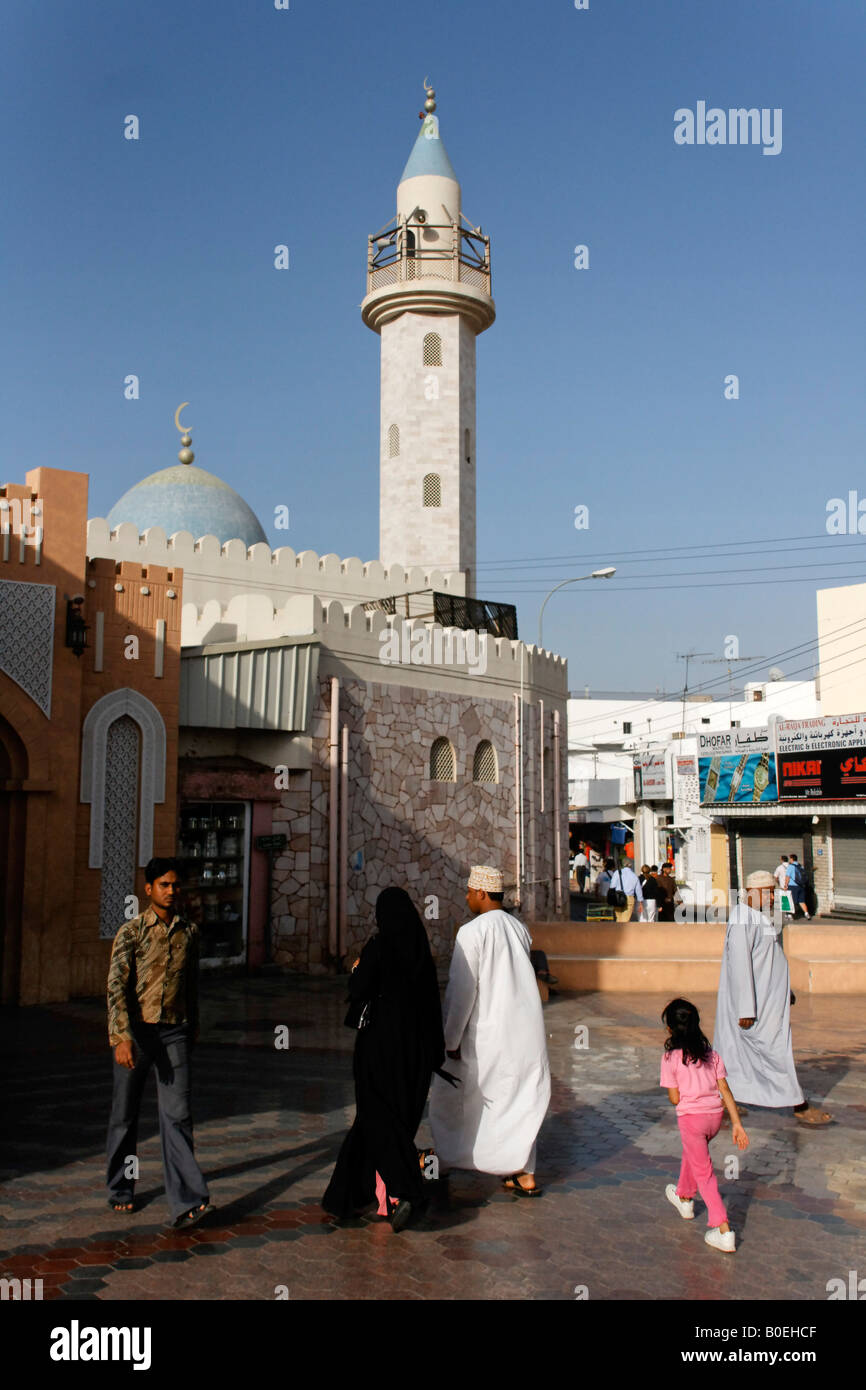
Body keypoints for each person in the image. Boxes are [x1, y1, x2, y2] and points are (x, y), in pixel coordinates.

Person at [322, 887, 448, 1232]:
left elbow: (358, 988)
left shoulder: (379, 948)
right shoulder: (421, 953)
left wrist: (358, 967)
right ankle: (345, 1197)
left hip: (379, 1050)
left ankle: (408, 1190)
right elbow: (431, 1006)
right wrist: (436, 1053)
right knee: (376, 1123)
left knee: (377, 1119)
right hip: (416, 1056)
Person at [429, 866, 551, 1197]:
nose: (467, 898)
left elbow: (462, 990)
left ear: (482, 893)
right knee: (520, 1101)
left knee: (454, 1099)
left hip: (488, 1036)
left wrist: (450, 1038)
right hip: (526, 1033)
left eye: (469, 892)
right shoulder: (519, 929)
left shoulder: (471, 932)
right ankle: (525, 1174)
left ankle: (447, 1160)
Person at [106, 858, 213, 1228]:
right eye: (163, 885)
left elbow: (192, 985)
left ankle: (188, 1202)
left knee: (178, 1116)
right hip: (137, 1033)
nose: (171, 891)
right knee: (125, 1114)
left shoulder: (189, 933)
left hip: (174, 1032)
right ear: (148, 888)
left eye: (175, 885)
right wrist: (120, 1037)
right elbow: (116, 988)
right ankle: (121, 1187)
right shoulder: (131, 932)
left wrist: (194, 1026)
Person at [713, 870, 831, 1126]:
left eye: (771, 893)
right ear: (751, 892)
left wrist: (784, 990)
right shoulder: (742, 920)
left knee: (738, 1054)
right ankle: (799, 1105)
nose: (770, 898)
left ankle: (723, 1097)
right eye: (767, 893)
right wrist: (746, 1009)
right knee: (774, 1053)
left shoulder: (759, 918)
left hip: (768, 1000)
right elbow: (740, 966)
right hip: (754, 1007)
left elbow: (771, 958)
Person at [660, 998, 749, 1254]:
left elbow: (675, 1098)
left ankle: (724, 1230)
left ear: (670, 1029)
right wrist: (737, 1124)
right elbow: (725, 1089)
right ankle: (684, 1197)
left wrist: (676, 1091)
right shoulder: (712, 1054)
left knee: (706, 1175)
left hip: (691, 1119)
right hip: (715, 1118)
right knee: (694, 1154)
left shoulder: (670, 1058)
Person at [786, 854, 811, 920]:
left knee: (791, 901)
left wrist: (785, 885)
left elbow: (787, 877)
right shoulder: (800, 866)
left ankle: (790, 915)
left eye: (790, 859)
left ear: (791, 859)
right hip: (801, 886)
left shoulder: (790, 866)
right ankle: (806, 914)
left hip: (793, 886)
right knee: (801, 901)